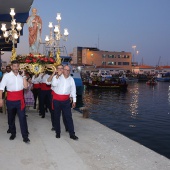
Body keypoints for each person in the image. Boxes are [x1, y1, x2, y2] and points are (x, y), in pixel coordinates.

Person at [0, 60, 30, 143]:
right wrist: (0, 99)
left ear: (19, 67)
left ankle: (25, 136)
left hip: (20, 101)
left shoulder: (21, 77)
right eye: (14, 66)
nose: (16, 68)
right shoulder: (6, 76)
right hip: (10, 100)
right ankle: (13, 133)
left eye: (17, 66)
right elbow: (1, 88)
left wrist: (24, 76)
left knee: (22, 118)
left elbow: (26, 87)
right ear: (12, 67)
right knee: (11, 118)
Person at [51, 65, 78, 140]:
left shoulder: (71, 79)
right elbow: (53, 84)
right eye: (65, 70)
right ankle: (58, 133)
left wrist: (74, 101)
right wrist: (57, 76)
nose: (67, 71)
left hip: (66, 101)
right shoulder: (57, 77)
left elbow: (73, 90)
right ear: (63, 70)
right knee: (57, 117)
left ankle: (72, 134)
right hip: (57, 101)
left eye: (68, 70)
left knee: (68, 117)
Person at [46, 65, 68, 131]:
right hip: (54, 97)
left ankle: (67, 127)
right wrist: (53, 73)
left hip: (64, 97)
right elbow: (47, 82)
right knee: (54, 112)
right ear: (57, 69)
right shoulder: (54, 77)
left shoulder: (66, 77)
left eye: (62, 68)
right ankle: (54, 126)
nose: (60, 70)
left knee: (65, 113)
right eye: (59, 68)